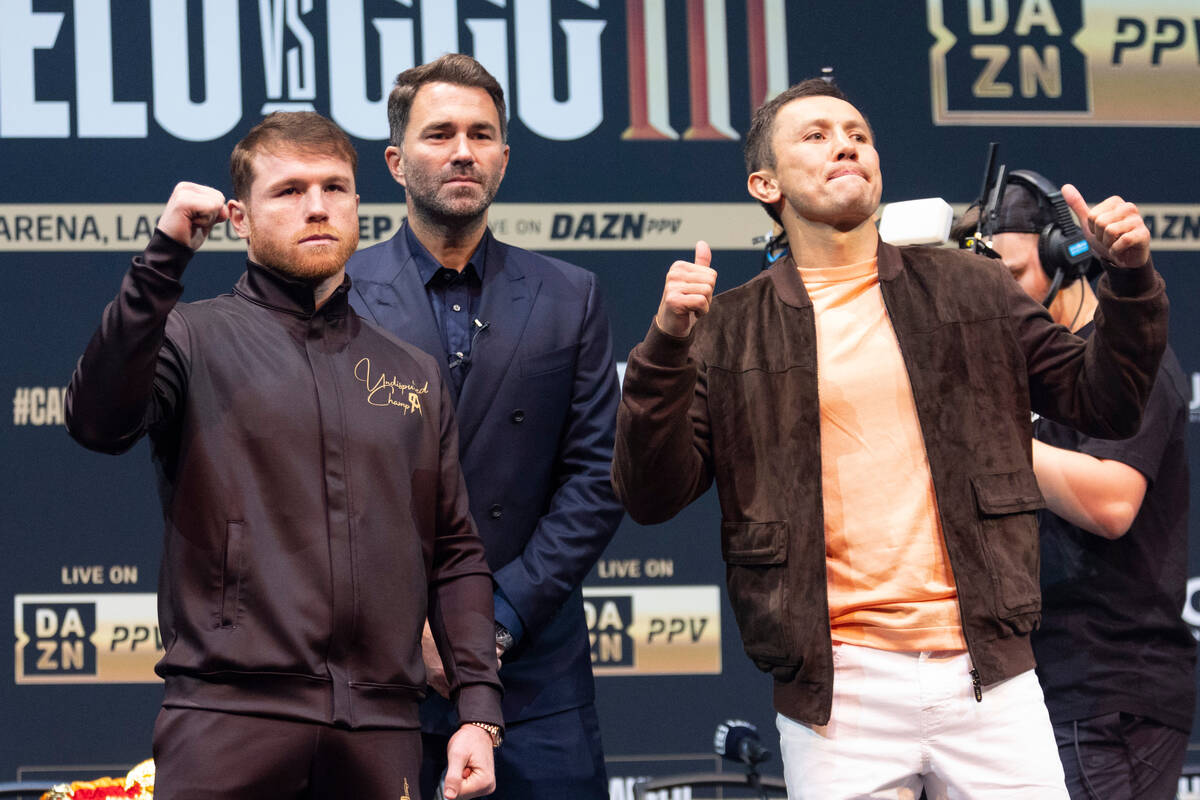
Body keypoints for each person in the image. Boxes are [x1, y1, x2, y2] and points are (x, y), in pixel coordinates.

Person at [612, 78, 1169, 799]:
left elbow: (1108, 402)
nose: (845, 142)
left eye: (859, 133)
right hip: (837, 693)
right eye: (814, 135)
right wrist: (663, 349)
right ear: (764, 183)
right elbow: (650, 494)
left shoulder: (974, 286)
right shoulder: (728, 328)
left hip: (988, 676)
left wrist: (1129, 281)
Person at [64, 111, 502, 800]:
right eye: (289, 190)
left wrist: (477, 710)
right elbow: (96, 421)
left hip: (381, 724)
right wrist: (163, 260)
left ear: (360, 204)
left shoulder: (411, 371)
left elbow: (455, 551)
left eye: (335, 187)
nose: (318, 207)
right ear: (238, 216)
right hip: (230, 715)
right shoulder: (188, 337)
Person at [346, 54, 623, 800]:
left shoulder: (571, 295)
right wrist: (413, 631)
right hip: (377, 673)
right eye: (439, 134)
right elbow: (316, 488)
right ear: (397, 162)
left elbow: (598, 476)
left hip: (533, 669)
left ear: (504, 156)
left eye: (481, 134)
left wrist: (494, 622)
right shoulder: (336, 293)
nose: (462, 151)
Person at [964, 178, 1196, 799]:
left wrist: (985, 426)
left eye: (1012, 276)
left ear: (1065, 259)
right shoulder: (1017, 375)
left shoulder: (1125, 364)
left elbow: (1112, 503)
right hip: (1039, 682)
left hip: (1107, 685)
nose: (998, 298)